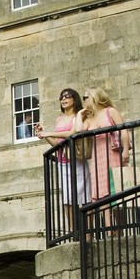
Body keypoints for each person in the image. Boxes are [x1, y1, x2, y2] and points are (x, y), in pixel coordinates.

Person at [37, 88, 88, 231]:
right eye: (61, 97)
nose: (63, 99)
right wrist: (44, 134)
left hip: (77, 159)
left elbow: (72, 133)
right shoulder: (59, 119)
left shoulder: (78, 116)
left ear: (74, 99)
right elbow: (57, 144)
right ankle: (73, 230)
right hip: (62, 161)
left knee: (84, 195)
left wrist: (49, 132)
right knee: (67, 198)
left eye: (67, 96)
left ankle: (87, 231)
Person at [77, 87, 129, 227]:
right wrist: (80, 114)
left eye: (85, 97)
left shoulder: (110, 111)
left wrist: (126, 150)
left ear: (94, 97)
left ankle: (120, 227)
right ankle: (108, 226)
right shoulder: (90, 119)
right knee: (101, 190)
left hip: (113, 153)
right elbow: (78, 130)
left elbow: (124, 130)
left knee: (115, 188)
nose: (83, 101)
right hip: (98, 156)